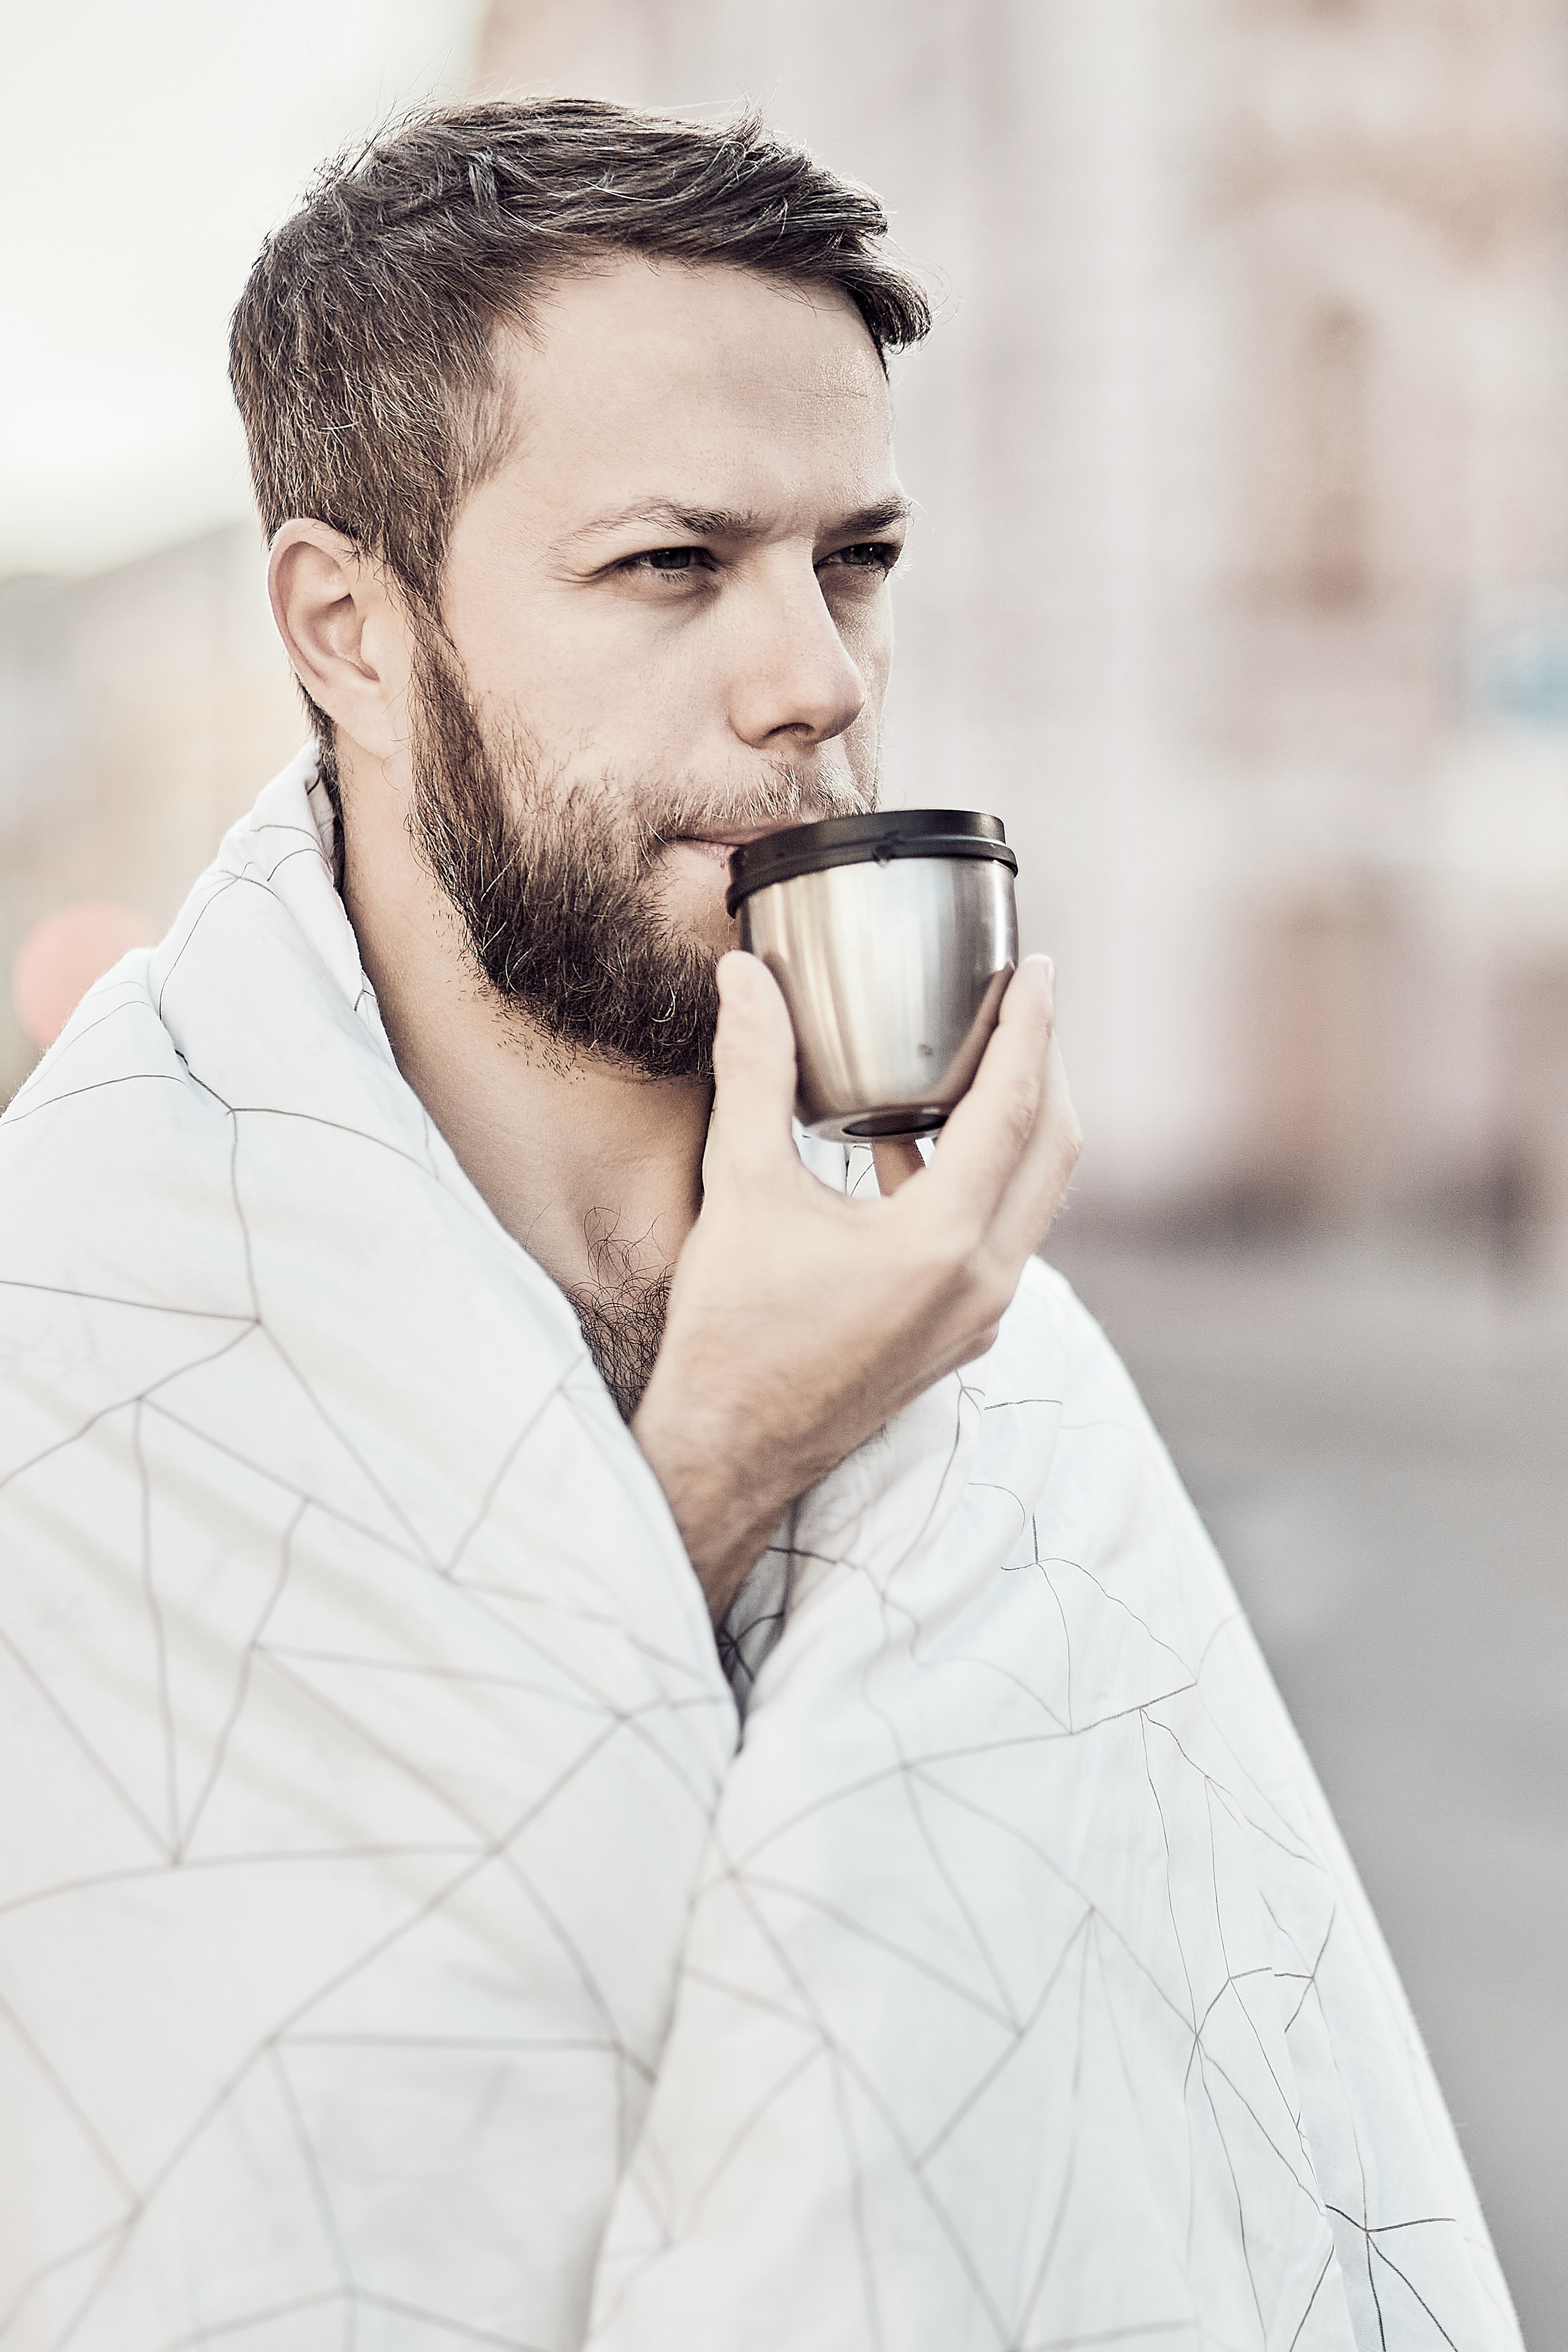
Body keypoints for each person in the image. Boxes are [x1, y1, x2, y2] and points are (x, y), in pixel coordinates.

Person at [0, 99, 1519, 2352]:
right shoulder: (76, 1329)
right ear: (351, 625)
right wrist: (714, 1463)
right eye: (674, 565)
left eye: (858, 559)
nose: (819, 675)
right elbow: (261, 2188)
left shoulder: (997, 1342)